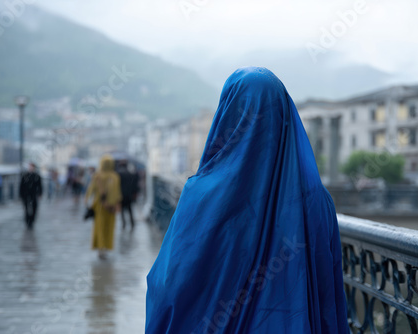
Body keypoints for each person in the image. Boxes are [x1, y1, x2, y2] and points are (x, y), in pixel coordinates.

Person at [146, 67, 348, 333]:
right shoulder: (318, 202)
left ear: (227, 116)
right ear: (285, 116)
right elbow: (328, 296)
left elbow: (170, 286)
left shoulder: (201, 195)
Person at [85, 155, 122, 260]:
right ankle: (106, 247)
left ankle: (100, 248)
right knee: (109, 227)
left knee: (99, 226)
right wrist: (117, 204)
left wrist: (87, 199)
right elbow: (117, 192)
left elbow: (91, 189)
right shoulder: (115, 176)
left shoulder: (98, 176)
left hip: (100, 205)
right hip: (111, 206)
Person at [19, 163, 43, 229]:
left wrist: (40, 193)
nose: (30, 168)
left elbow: (40, 185)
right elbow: (21, 186)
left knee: (34, 208)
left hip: (34, 195)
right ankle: (27, 221)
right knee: (26, 209)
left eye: (32, 167)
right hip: (26, 195)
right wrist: (21, 195)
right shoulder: (25, 176)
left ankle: (32, 220)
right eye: (30, 167)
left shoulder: (37, 176)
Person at [117, 160, 139, 229]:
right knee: (130, 209)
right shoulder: (130, 173)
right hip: (129, 195)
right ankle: (132, 223)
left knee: (122, 210)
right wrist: (134, 193)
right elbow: (133, 185)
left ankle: (124, 224)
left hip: (121, 194)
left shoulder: (118, 174)